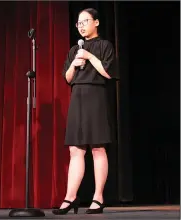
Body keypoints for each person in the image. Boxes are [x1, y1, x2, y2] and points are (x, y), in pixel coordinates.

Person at [52, 8, 115, 215]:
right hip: (77, 98)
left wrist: (89, 56)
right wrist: (75, 63)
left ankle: (98, 197)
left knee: (97, 148)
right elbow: (68, 78)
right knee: (75, 150)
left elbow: (108, 72)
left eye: (84, 21)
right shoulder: (74, 50)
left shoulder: (105, 46)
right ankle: (70, 197)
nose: (81, 26)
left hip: (96, 97)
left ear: (96, 22)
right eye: (78, 23)